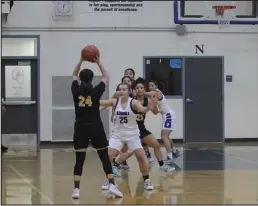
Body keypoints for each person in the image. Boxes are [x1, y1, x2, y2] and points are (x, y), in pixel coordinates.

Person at [71, 56, 122, 199]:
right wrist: (98, 61)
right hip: (95, 126)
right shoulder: (96, 91)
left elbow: (74, 74)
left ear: (80, 78)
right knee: (104, 158)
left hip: (80, 127)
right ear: (92, 79)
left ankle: (76, 190)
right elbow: (106, 76)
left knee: (79, 160)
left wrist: (81, 59)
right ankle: (112, 184)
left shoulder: (76, 90)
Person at [100, 83, 157, 190]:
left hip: (132, 135)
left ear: (129, 91)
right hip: (118, 134)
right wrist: (88, 97)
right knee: (108, 156)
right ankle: (108, 179)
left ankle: (147, 180)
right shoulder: (114, 102)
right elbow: (99, 102)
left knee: (141, 157)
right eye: (119, 89)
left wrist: (148, 107)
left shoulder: (133, 102)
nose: (121, 91)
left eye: (124, 89)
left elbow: (142, 109)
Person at [115, 78, 175, 172]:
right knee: (130, 151)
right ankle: (115, 165)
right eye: (137, 88)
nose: (139, 89)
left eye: (141, 88)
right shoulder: (131, 100)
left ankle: (162, 166)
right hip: (131, 128)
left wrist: (154, 105)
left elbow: (155, 112)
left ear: (145, 90)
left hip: (141, 128)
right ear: (135, 89)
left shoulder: (147, 100)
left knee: (156, 145)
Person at [145, 80, 180, 162]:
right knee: (166, 136)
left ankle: (170, 156)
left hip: (168, 115)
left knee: (164, 136)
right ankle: (174, 151)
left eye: (152, 85)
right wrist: (154, 107)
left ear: (156, 86)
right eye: (149, 86)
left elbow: (148, 94)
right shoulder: (154, 96)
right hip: (166, 115)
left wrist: (139, 92)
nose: (151, 87)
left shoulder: (157, 93)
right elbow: (156, 111)